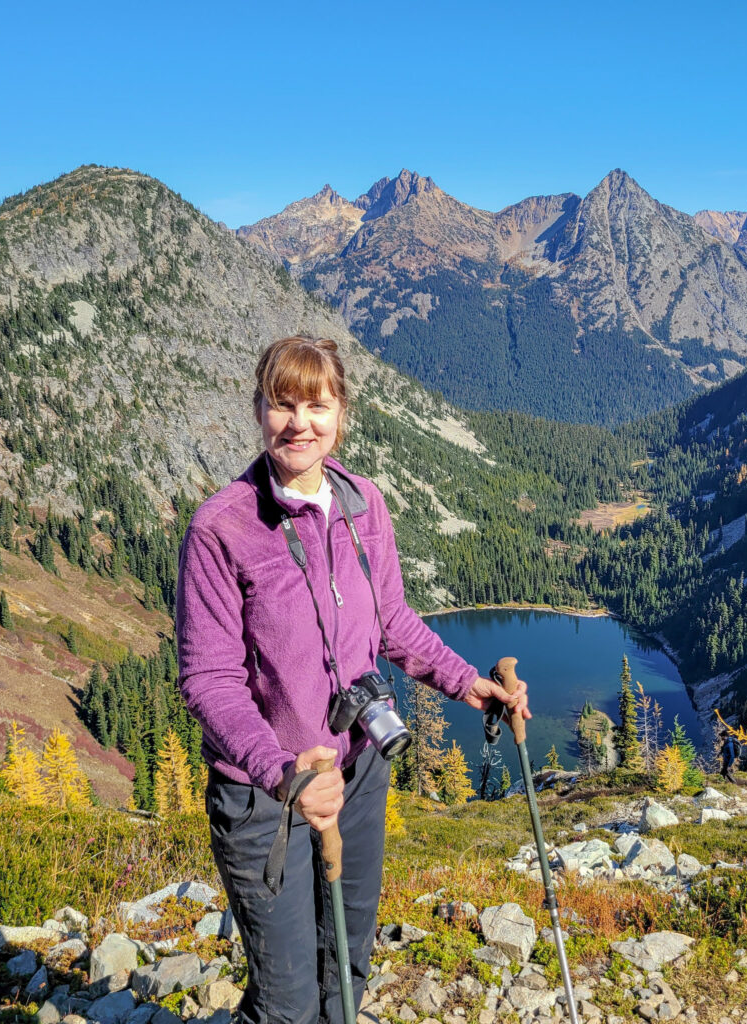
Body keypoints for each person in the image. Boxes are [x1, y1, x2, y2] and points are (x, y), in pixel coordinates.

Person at [176, 336, 530, 1024]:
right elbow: (209, 679)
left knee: (349, 963)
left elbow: (391, 618)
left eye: (317, 404)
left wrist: (466, 683)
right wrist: (282, 771)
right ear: (259, 410)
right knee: (286, 1003)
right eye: (283, 404)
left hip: (359, 775)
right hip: (265, 798)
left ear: (342, 415)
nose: (299, 422)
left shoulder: (364, 503)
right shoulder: (222, 528)